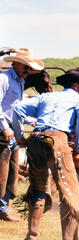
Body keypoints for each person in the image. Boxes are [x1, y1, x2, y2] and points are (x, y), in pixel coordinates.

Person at [12, 68, 79, 240]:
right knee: (71, 196)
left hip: (36, 141)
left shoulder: (47, 97)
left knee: (38, 190)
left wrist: (19, 137)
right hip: (57, 141)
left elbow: (17, 109)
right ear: (77, 86)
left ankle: (32, 239)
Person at [0, 48, 44, 222]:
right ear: (16, 64)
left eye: (29, 68)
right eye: (25, 67)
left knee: (11, 170)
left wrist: (30, 121)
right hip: (4, 130)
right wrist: (5, 127)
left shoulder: (19, 81)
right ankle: (2, 208)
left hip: (12, 130)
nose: (28, 71)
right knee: (2, 170)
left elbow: (16, 109)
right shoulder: (3, 79)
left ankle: (4, 206)